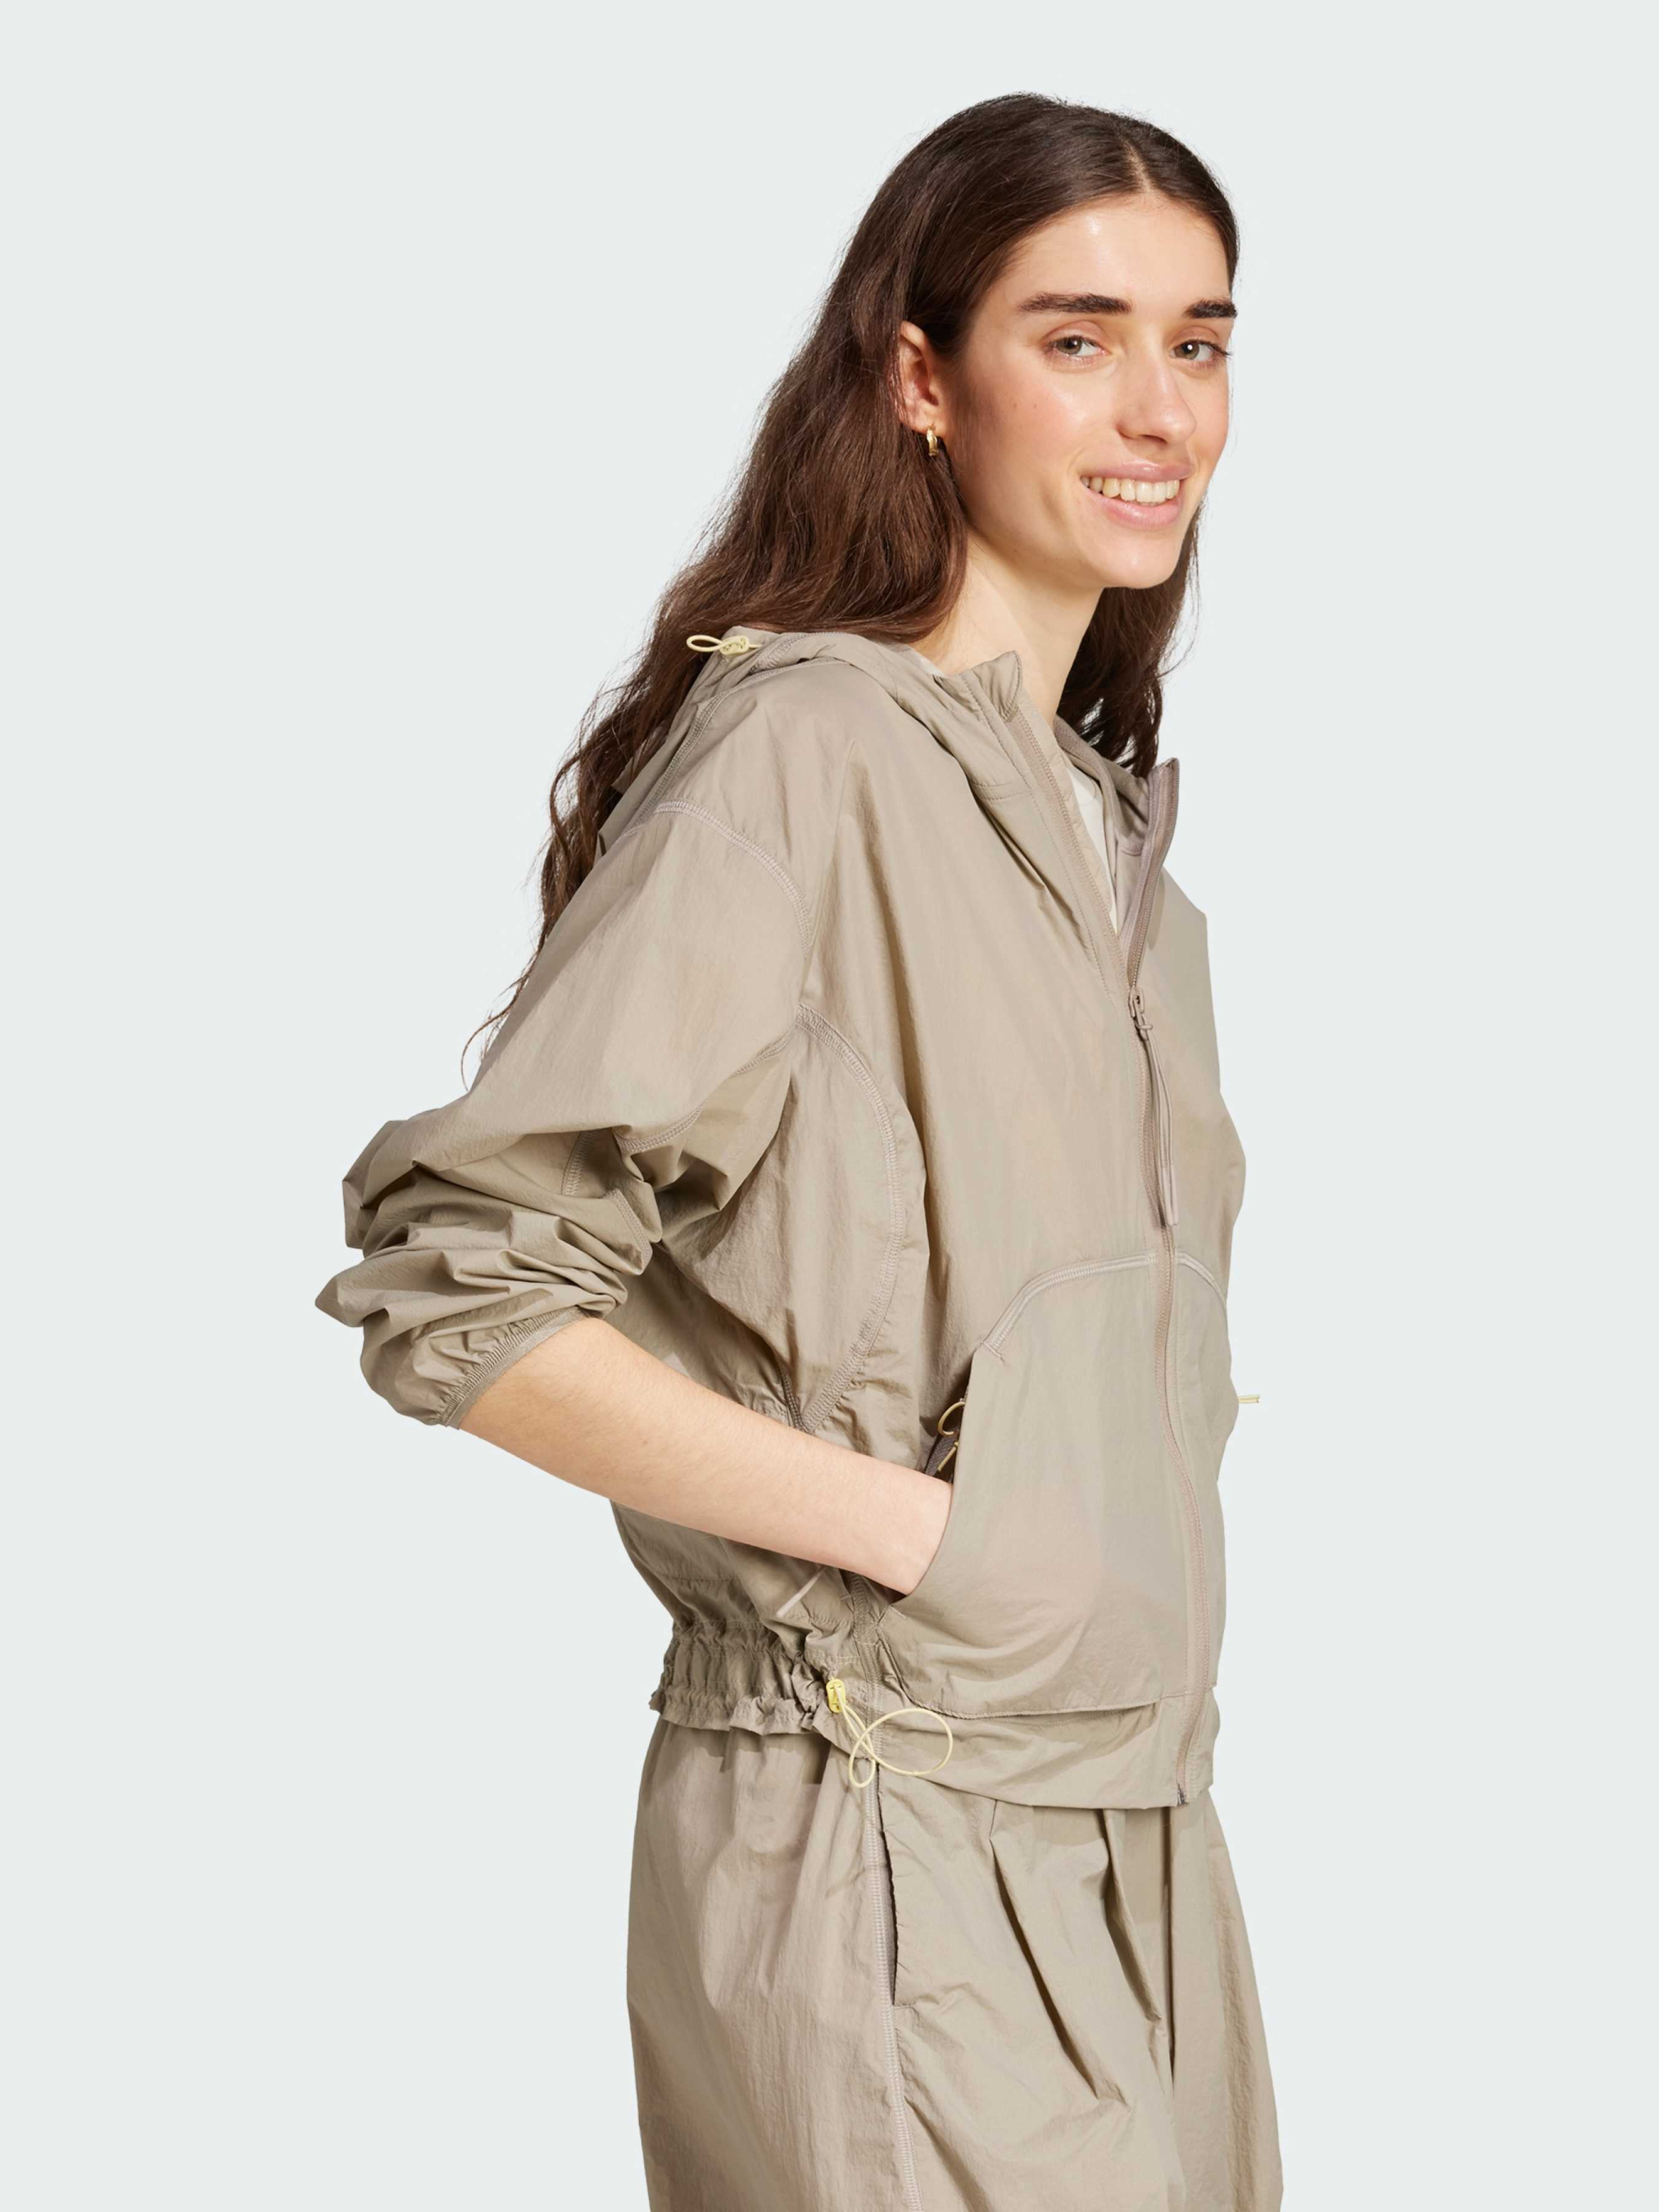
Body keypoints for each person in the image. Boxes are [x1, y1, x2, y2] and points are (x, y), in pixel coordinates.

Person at [317, 91, 1283, 2212]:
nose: (1158, 410)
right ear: (921, 379)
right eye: (1077, 337)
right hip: (885, 1833)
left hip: (1140, 1849)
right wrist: (934, 1535)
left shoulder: (1122, 865)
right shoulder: (807, 752)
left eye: (1198, 342)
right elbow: (460, 1286)